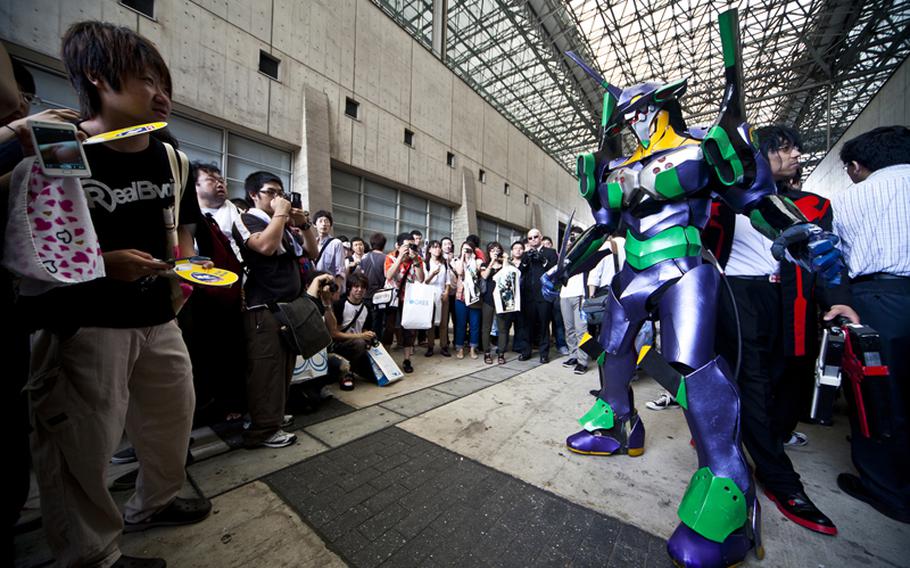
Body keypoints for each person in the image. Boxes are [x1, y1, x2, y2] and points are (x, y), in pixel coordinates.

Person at [546, 30, 844, 565]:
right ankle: (619, 425)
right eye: (629, 112)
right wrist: (563, 266)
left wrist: (798, 232)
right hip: (631, 271)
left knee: (694, 368)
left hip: (685, 264)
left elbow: (755, 197)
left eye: (645, 109)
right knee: (612, 352)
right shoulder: (616, 169)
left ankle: (730, 492)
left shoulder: (701, 147)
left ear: (665, 106)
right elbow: (602, 228)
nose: (636, 119)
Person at [21, 22, 212, 567]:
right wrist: (104, 265)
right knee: (82, 445)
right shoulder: (63, 145)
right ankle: (93, 555)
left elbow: (182, 228)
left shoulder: (170, 156)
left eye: (163, 81)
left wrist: (183, 270)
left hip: (159, 315)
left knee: (171, 420)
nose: (161, 93)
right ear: (98, 78)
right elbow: (40, 241)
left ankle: (154, 503)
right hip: (86, 321)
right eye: (146, 79)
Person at [706, 125, 855, 536]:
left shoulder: (811, 204)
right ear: (759, 154)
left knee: (786, 379)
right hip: (737, 297)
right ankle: (781, 480)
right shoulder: (721, 200)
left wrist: (839, 297)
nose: (795, 156)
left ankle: (753, 438)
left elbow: (826, 256)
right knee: (750, 382)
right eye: (784, 149)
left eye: (796, 150)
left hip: (790, 302)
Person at [831, 125, 910, 524]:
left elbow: (833, 262)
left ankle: (886, 490)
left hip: (877, 303)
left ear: (859, 166)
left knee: (877, 396)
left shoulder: (851, 200)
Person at [234, 171, 314, 449]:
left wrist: (303, 225)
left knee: (283, 367)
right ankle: (263, 429)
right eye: (271, 192)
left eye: (281, 193)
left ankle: (274, 416)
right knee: (266, 368)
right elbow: (266, 247)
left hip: (286, 308)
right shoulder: (247, 219)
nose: (278, 198)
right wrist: (282, 214)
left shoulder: (282, 224)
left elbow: (312, 252)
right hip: (262, 308)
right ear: (254, 194)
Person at [327, 273, 376, 390]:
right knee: (359, 342)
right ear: (350, 287)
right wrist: (361, 335)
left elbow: (364, 329)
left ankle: (354, 368)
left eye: (363, 287)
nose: (359, 290)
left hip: (358, 347)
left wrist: (369, 335)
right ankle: (346, 373)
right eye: (356, 286)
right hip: (340, 345)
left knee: (376, 376)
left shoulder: (367, 308)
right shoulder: (340, 305)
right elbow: (334, 334)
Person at [384, 232, 425, 373]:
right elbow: (389, 275)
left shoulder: (416, 258)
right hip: (392, 299)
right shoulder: (390, 257)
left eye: (411, 245)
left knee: (408, 330)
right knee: (389, 328)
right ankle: (387, 359)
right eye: (406, 246)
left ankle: (407, 359)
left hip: (409, 299)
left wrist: (416, 261)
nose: (409, 249)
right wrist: (400, 258)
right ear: (397, 246)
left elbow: (421, 279)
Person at [519, 228, 558, 363]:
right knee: (527, 325)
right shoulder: (526, 254)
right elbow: (521, 272)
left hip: (544, 295)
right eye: (530, 238)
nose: (533, 240)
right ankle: (526, 351)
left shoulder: (550, 252)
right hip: (528, 295)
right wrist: (525, 260)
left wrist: (543, 260)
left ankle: (544, 353)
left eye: (535, 237)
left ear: (540, 237)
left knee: (543, 325)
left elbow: (555, 271)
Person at [559, 229, 589, 374]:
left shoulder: (586, 253)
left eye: (576, 237)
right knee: (569, 329)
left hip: (580, 294)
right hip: (564, 295)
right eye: (571, 237)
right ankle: (573, 356)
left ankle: (583, 361)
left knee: (581, 330)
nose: (572, 240)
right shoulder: (563, 256)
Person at [452, 241, 483, 359]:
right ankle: (460, 348)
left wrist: (473, 259)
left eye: (469, 249)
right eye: (464, 249)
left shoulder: (477, 261)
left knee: (474, 324)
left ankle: (472, 348)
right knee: (461, 324)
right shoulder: (456, 261)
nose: (467, 251)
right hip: (461, 297)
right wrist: (463, 257)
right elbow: (460, 272)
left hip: (474, 298)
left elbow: (477, 271)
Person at [424, 239, 453, 357]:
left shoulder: (444, 263)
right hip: (430, 296)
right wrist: (432, 274)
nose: (437, 249)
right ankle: (430, 346)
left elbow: (448, 280)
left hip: (442, 295)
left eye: (438, 247)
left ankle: (444, 346)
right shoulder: (425, 263)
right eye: (434, 247)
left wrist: (446, 292)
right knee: (430, 322)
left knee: (443, 322)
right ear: (429, 249)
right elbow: (424, 281)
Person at [479, 241, 506, 364]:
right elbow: (484, 276)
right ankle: (487, 353)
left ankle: (501, 353)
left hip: (502, 300)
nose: (495, 252)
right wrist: (491, 262)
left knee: (502, 328)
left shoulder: (504, 265)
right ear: (488, 252)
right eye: (492, 250)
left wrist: (504, 260)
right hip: (488, 300)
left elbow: (506, 275)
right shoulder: (484, 264)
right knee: (486, 328)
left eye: (497, 250)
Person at [313, 209, 346, 293]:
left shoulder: (336, 243)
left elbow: (340, 270)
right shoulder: (312, 244)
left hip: (328, 287)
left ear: (330, 225)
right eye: (320, 221)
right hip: (313, 286)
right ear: (314, 224)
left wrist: (336, 290)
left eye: (327, 221)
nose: (324, 224)